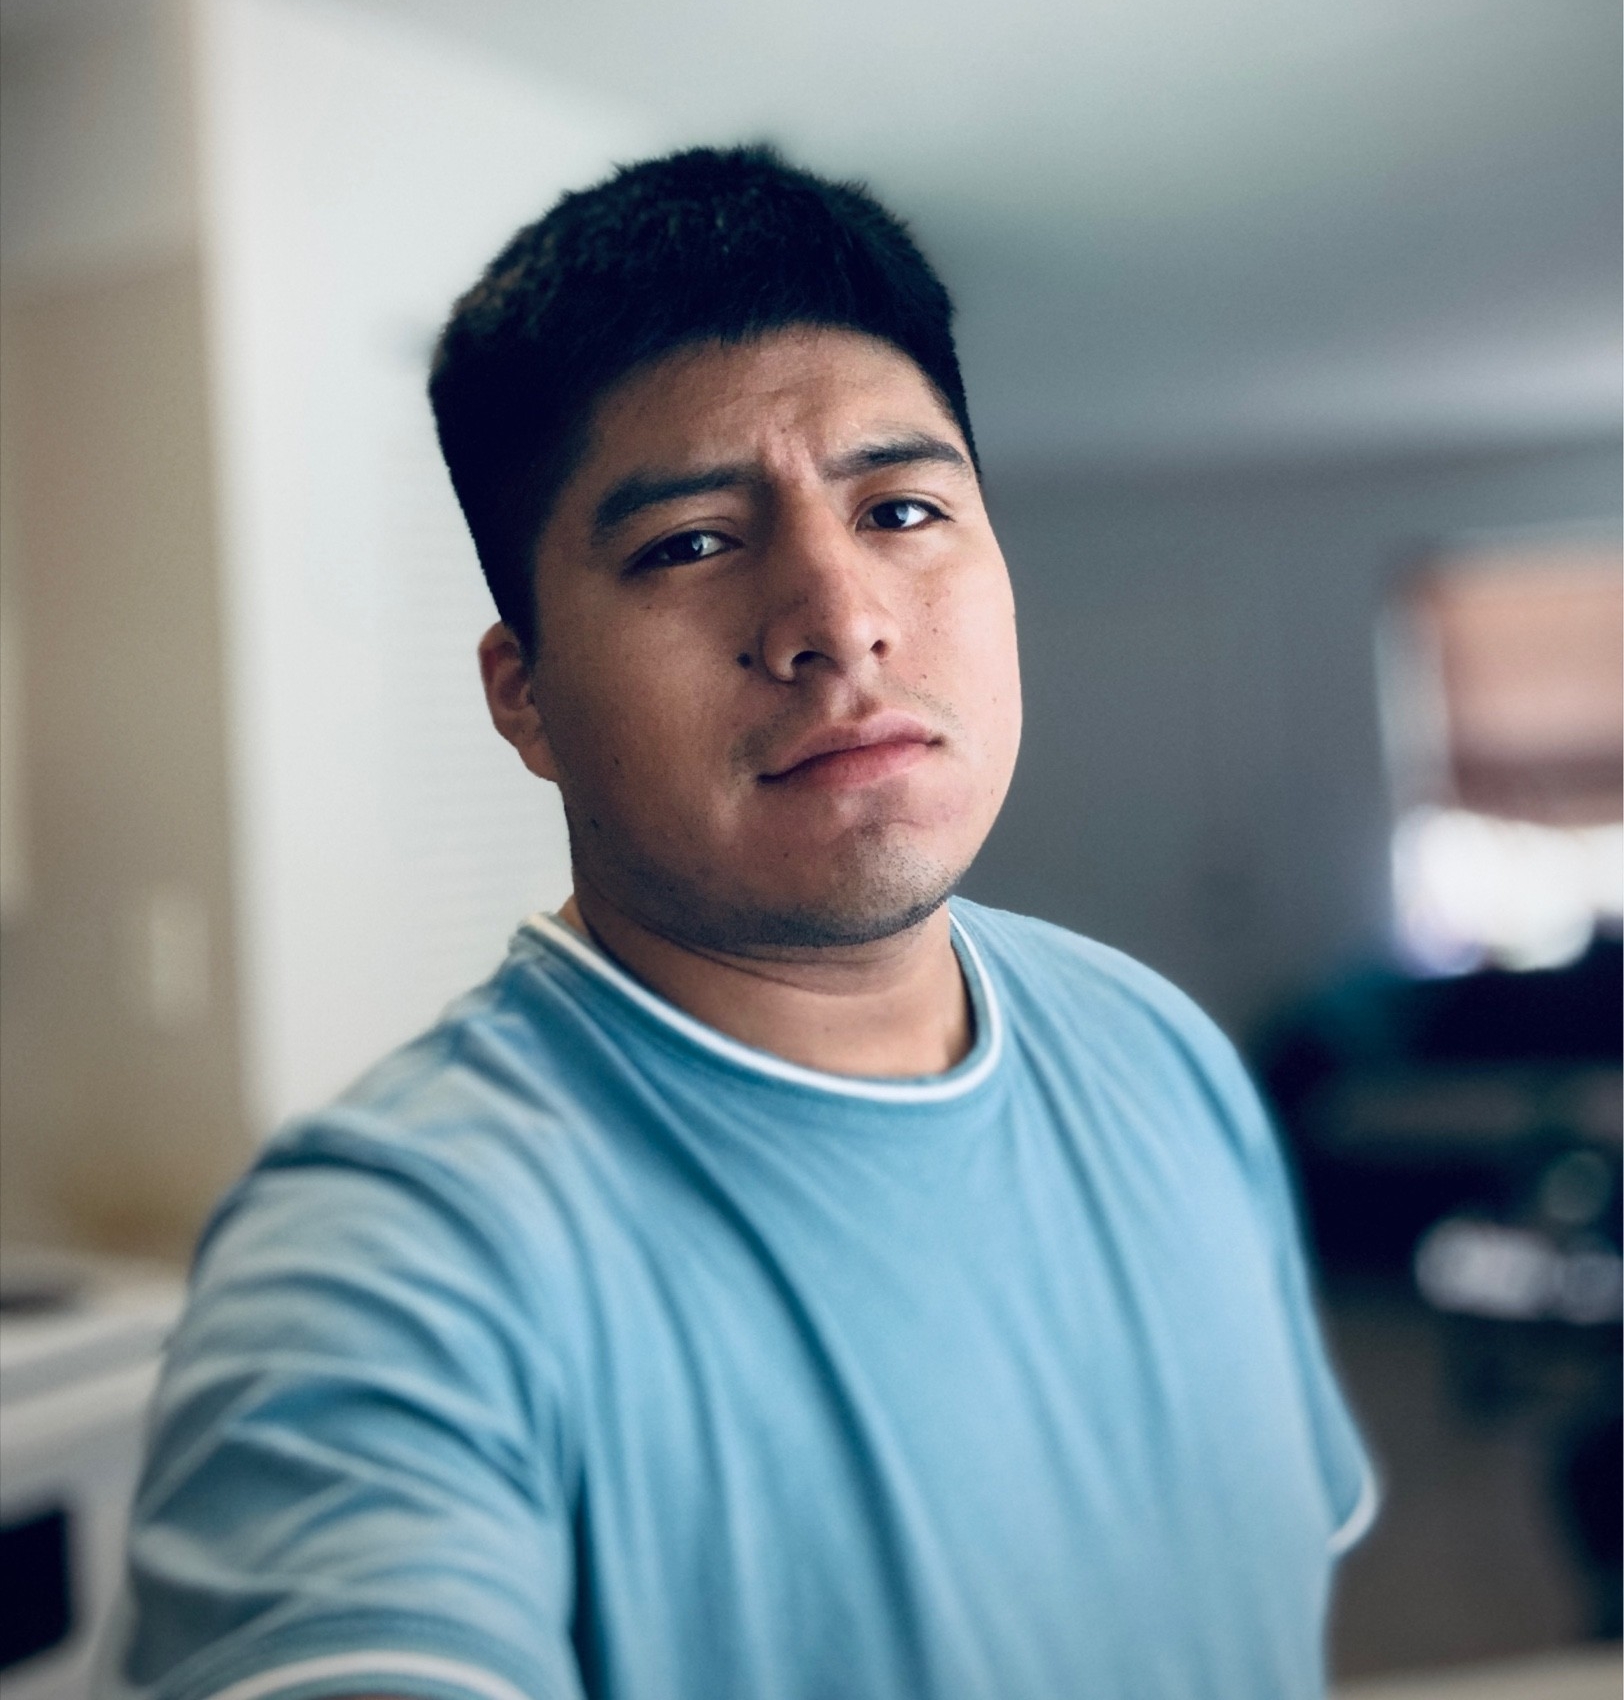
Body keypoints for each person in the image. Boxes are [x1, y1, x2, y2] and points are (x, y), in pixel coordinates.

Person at [101, 145, 1375, 1700]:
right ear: (525, 695)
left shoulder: (1160, 1052)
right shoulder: (388, 1272)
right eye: (691, 543)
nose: (840, 617)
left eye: (901, 507)